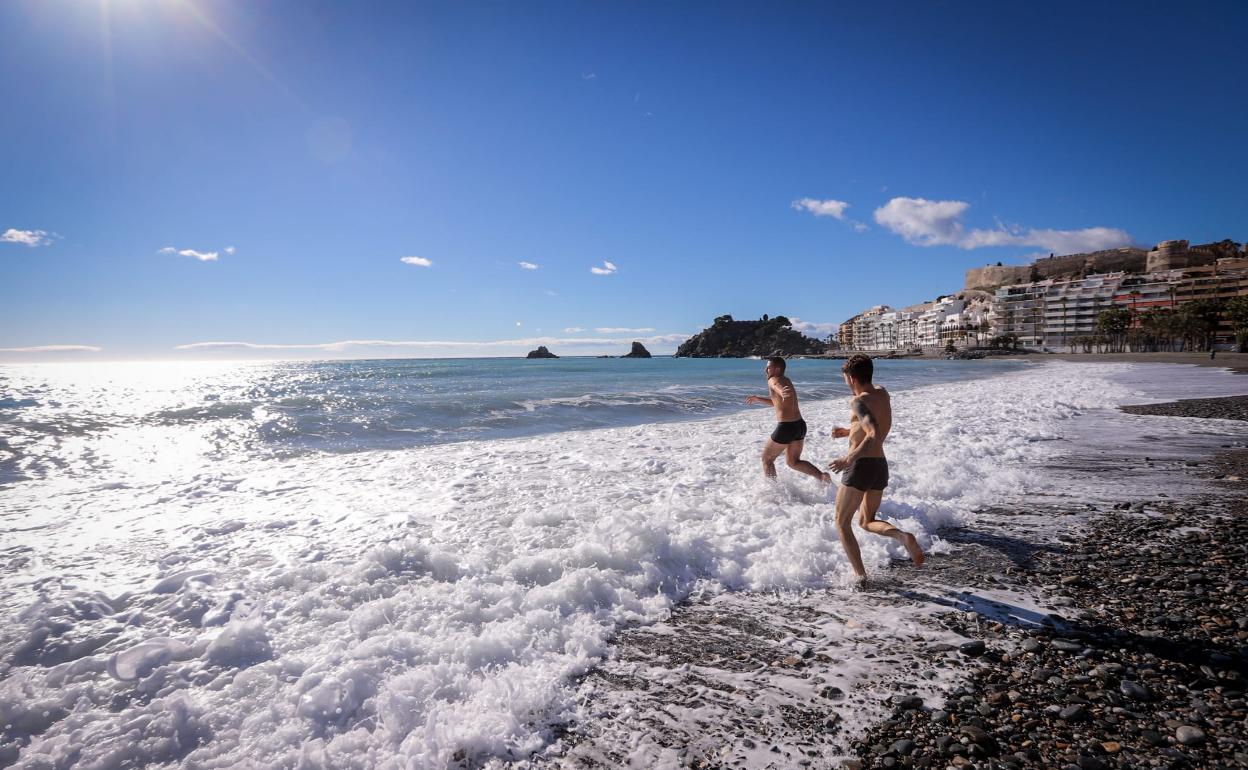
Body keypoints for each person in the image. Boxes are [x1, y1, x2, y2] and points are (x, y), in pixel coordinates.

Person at [827, 353, 924, 581]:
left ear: (851, 377)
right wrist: (847, 431)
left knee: (841, 523)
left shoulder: (858, 401)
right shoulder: (882, 393)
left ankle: (860, 576)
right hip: (880, 466)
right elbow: (873, 425)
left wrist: (847, 458)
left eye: (845, 379)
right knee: (866, 521)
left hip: (860, 466)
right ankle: (902, 537)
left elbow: (872, 433)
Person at [745, 356, 831, 484]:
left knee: (767, 459)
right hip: (800, 426)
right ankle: (823, 477)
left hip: (786, 428)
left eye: (768, 367)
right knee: (793, 462)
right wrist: (758, 399)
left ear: (777, 369)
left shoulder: (773, 379)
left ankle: (774, 491)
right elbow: (776, 402)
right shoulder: (787, 380)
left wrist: (780, 391)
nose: (765, 370)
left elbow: (776, 385)